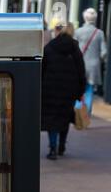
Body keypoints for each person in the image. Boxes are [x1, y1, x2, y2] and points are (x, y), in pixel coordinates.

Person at [42, 22, 86, 160]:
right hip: (69, 91)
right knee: (64, 118)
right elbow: (81, 72)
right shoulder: (75, 49)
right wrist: (80, 91)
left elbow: (42, 70)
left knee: (52, 119)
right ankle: (62, 146)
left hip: (50, 90)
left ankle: (53, 148)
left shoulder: (49, 47)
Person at [75, 8, 107, 115]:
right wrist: (99, 59)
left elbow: (74, 50)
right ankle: (86, 114)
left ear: (84, 17)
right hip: (93, 66)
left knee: (78, 88)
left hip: (80, 65)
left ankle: (77, 112)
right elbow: (104, 52)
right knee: (89, 90)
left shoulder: (78, 32)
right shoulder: (99, 33)